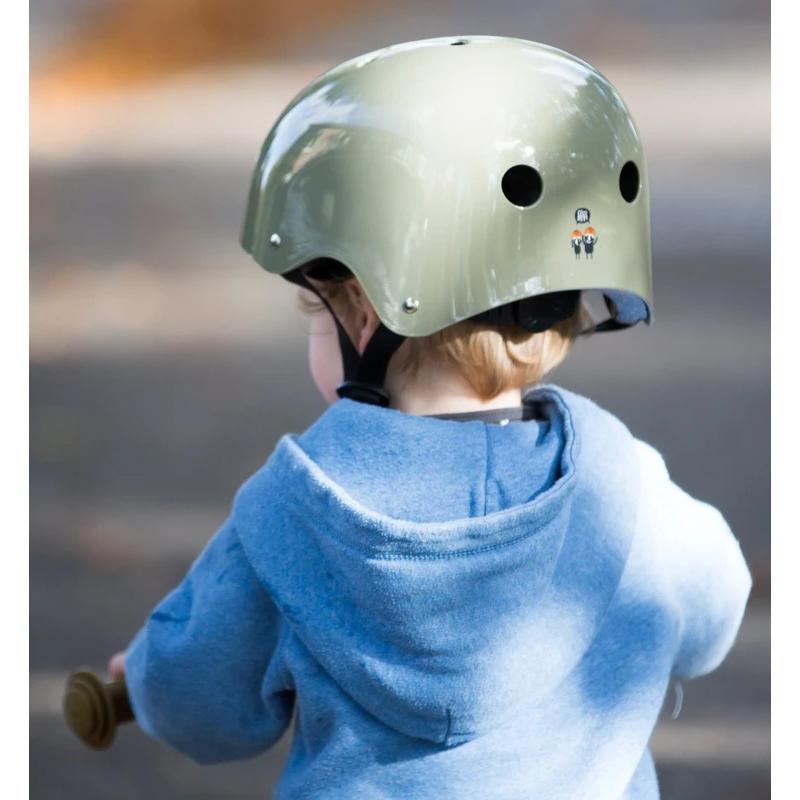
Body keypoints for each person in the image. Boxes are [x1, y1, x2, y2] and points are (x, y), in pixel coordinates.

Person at [108, 36, 752, 798]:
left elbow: (199, 700)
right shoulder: (629, 491)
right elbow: (714, 614)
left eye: (315, 310)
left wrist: (138, 681)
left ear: (367, 310)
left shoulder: (295, 509)